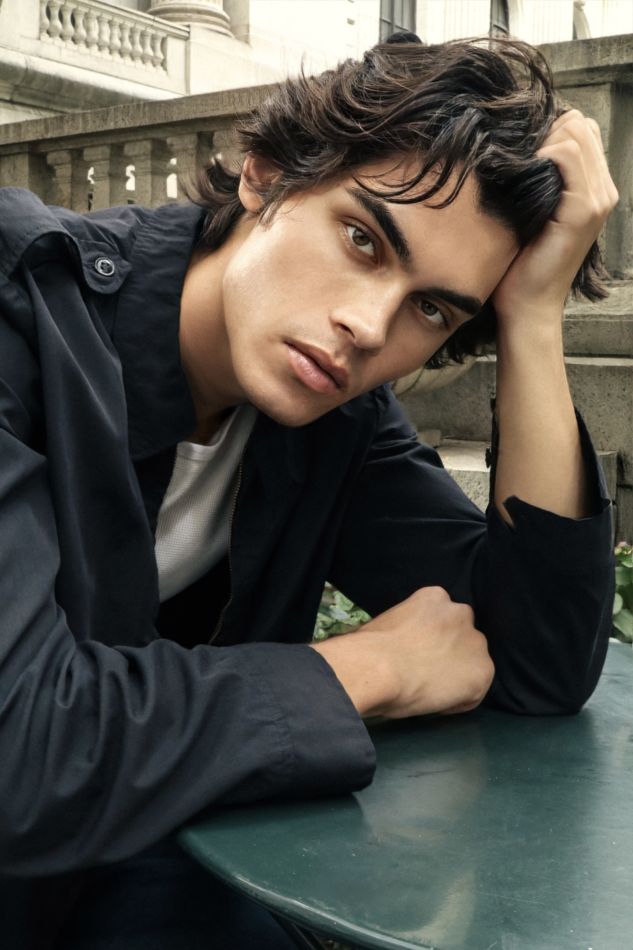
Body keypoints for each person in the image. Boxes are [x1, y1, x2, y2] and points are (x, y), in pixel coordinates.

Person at [0, 33, 618, 949]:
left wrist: (531, 315)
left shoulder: (334, 419)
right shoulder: (21, 306)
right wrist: (367, 668)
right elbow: (20, 752)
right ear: (264, 175)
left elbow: (537, 663)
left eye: (429, 308)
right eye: (362, 239)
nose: (366, 326)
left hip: (131, 877)